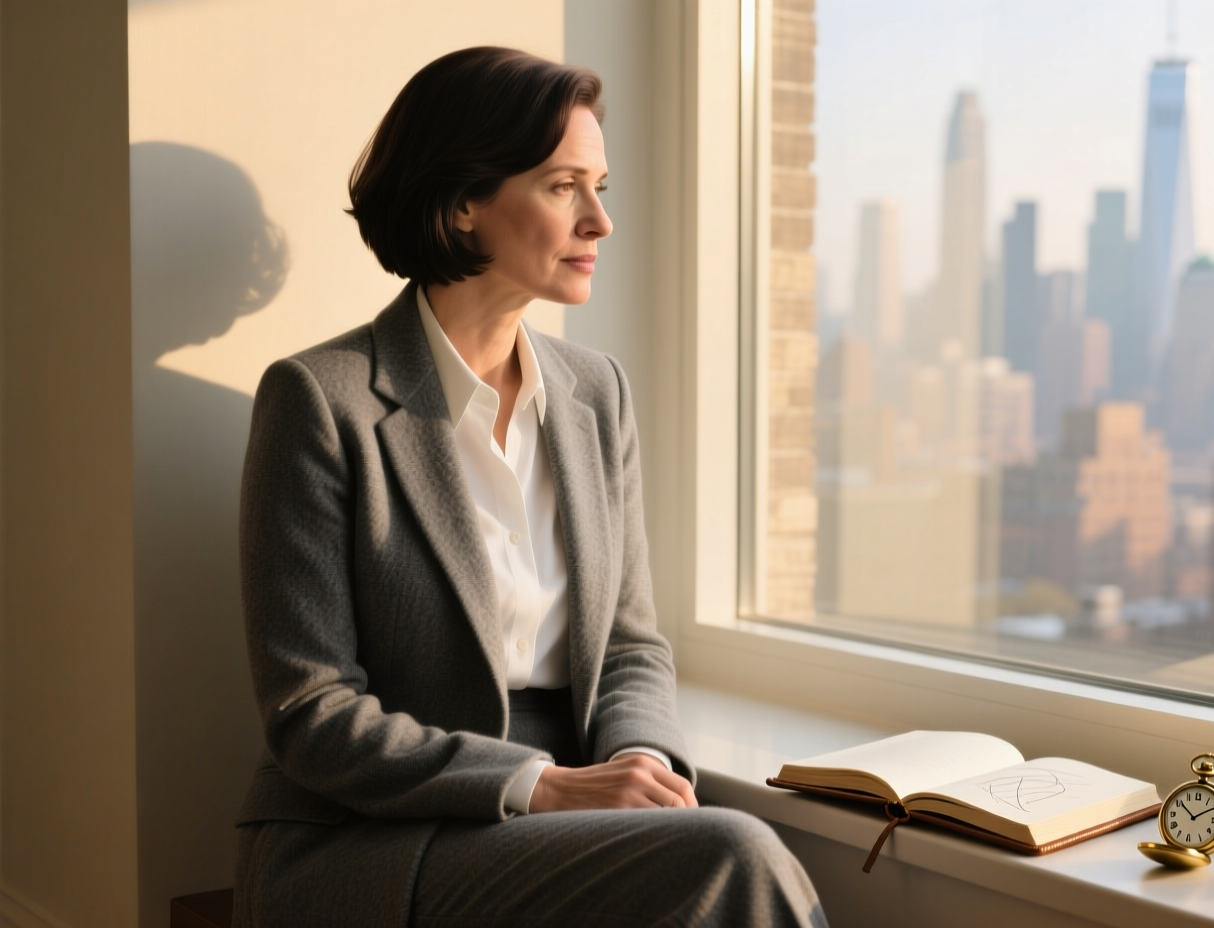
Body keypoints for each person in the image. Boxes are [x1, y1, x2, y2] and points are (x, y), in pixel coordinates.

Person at [232, 47, 826, 928]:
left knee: (723, 853)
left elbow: (630, 647)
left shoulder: (596, 392)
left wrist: (641, 775)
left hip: (568, 811)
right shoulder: (321, 401)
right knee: (737, 856)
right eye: (563, 187)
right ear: (463, 202)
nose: (600, 221)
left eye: (602, 186)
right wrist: (539, 785)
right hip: (376, 837)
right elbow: (312, 715)